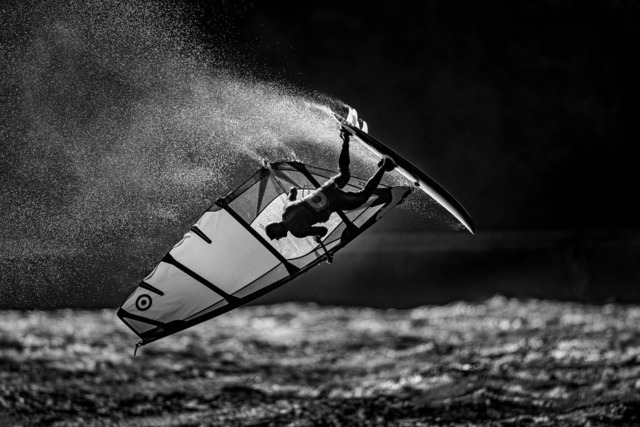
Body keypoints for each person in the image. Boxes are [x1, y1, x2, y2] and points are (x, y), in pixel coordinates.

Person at [265, 129, 396, 241]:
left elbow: (323, 230)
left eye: (275, 236)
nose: (278, 238)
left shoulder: (297, 232)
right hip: (325, 190)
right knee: (344, 174)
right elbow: (293, 190)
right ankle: (346, 137)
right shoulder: (286, 210)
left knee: (362, 197)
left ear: (276, 229)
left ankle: (385, 166)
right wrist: (290, 194)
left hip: (333, 202)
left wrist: (317, 237)